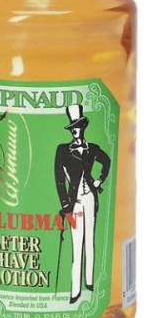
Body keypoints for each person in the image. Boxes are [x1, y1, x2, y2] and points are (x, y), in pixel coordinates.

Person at [54, 104, 111, 303]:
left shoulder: (92, 149)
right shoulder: (63, 150)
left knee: (91, 241)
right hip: (75, 202)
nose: (75, 130)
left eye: (78, 126)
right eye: (72, 127)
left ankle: (90, 282)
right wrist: (65, 204)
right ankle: (75, 291)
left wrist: (99, 180)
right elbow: (59, 179)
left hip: (90, 198)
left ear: (83, 126)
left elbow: (107, 161)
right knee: (76, 244)